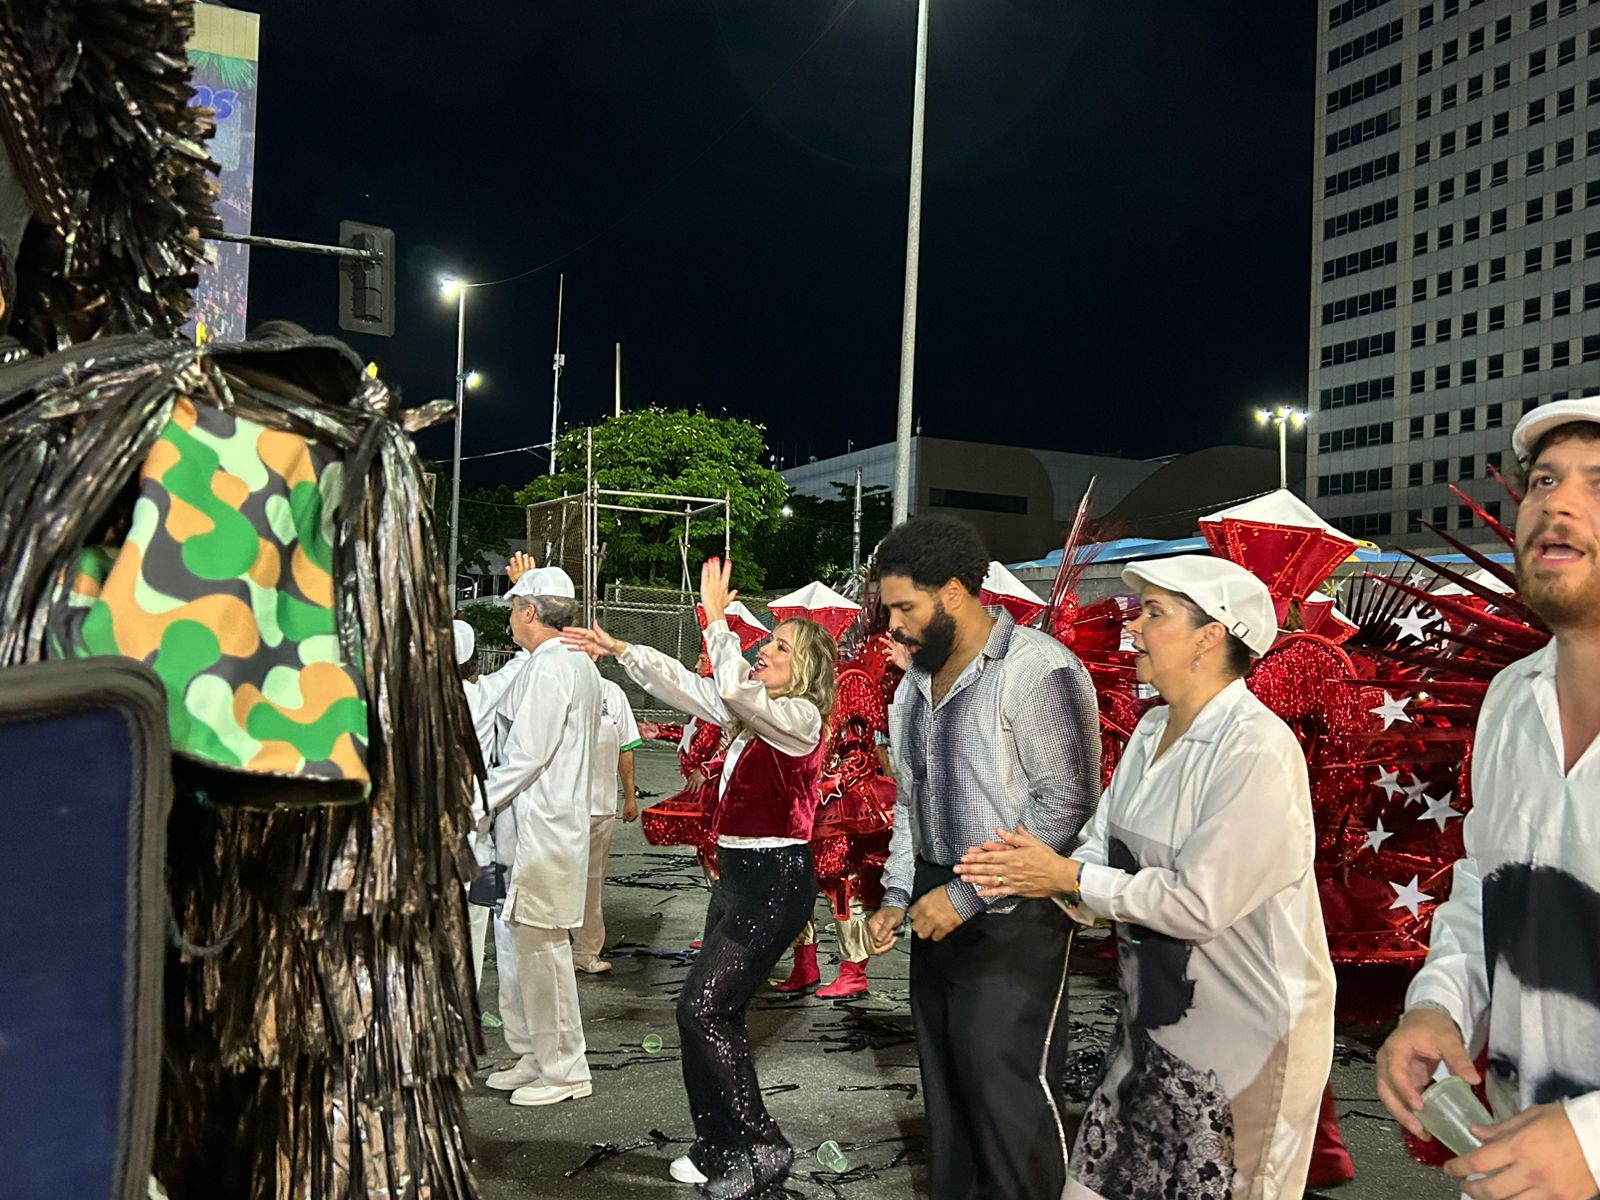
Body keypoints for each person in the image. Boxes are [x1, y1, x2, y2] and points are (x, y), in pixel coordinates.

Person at [957, 554, 1335, 1199]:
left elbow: (1198, 903)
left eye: (1153, 614)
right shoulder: (1152, 728)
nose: (1131, 629)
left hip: (1244, 1042)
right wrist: (1034, 874)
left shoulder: (1256, 748)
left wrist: (1070, 878)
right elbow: (1104, 846)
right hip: (1152, 1029)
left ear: (1210, 635)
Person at [1376, 395, 1600, 1200]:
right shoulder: (1511, 696)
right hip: (1508, 1159)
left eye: (1599, 483)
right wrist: (1440, 1005)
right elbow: (1487, 883)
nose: (1559, 502)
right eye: (1544, 480)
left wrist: (1590, 1142)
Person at [562, 557, 837, 1199]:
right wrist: (622, 649)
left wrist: (718, 621)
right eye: (765, 640)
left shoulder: (799, 721)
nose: (764, 649)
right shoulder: (757, 712)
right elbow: (691, 686)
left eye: (778, 645)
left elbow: (735, 687)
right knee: (709, 1015)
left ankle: (759, 1144)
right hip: (740, 879)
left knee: (703, 1009)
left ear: (808, 669)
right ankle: (719, 1145)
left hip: (774, 883)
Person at [864, 512, 1100, 1200]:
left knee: (1003, 1084)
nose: (895, 626)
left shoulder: (1039, 669)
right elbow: (912, 803)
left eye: (906, 607)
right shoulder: (912, 688)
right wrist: (899, 895)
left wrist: (966, 896)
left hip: (1017, 903)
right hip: (936, 896)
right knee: (947, 1078)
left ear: (956, 594)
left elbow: (1065, 804)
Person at [479, 565, 601, 1107]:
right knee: (523, 953)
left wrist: (469, 803)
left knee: (544, 955)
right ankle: (532, 1054)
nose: (509, 619)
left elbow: (524, 757)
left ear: (530, 612)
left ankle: (565, 1068)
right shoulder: (558, 663)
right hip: (528, 832)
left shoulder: (556, 667)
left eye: (513, 609)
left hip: (540, 835)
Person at [571, 648, 644, 974]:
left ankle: (585, 952)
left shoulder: (612, 694)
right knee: (558, 877)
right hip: (560, 807)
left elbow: (626, 747)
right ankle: (555, 950)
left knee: (591, 881)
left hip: (599, 805)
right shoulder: (559, 688)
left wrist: (630, 796)